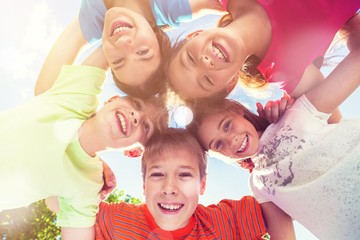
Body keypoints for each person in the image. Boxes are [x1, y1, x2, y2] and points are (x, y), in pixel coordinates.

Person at [187, 44, 360, 239]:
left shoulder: (298, 112)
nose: (231, 140)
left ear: (237, 112)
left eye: (227, 125)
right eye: (218, 144)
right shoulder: (259, 184)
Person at [0, 46, 169, 239]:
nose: (136, 116)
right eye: (136, 105)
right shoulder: (74, 101)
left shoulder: (89, 184)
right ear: (112, 99)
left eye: (146, 127)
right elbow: (115, 45)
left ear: (134, 152)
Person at [94, 128, 276, 240]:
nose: (169, 188)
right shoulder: (117, 221)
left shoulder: (224, 222)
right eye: (157, 174)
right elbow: (66, 203)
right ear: (144, 185)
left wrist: (262, 141)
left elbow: (282, 201)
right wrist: (87, 165)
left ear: (202, 184)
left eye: (184, 174)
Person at [166, 0, 360, 101]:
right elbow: (326, 121)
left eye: (190, 59)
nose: (205, 64)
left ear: (195, 34)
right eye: (206, 80)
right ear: (230, 83)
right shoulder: (284, 70)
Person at [35, 0, 225, 98]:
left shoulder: (93, 20)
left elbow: (43, 94)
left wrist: (109, 46)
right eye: (143, 52)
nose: (125, 45)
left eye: (118, 62)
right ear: (160, 38)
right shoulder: (174, 7)